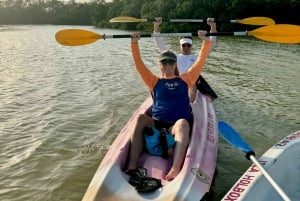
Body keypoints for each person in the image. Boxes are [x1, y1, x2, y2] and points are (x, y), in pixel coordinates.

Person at [126, 30, 212, 181]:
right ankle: (132, 165)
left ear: (175, 65)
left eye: (171, 62)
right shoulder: (154, 81)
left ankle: (175, 167)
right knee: (140, 118)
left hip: (175, 126)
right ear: (160, 65)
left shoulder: (186, 79)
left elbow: (200, 61)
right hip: (156, 123)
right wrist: (134, 43)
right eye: (164, 62)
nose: (167, 65)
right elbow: (139, 65)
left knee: (183, 124)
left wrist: (206, 42)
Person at [154, 17, 218, 102]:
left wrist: (213, 26)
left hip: (192, 81)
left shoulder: (196, 57)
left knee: (193, 85)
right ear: (180, 46)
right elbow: (160, 44)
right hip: (178, 80)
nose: (186, 47)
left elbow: (211, 45)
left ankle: (189, 104)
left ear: (191, 46)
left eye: (188, 45)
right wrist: (156, 26)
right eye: (184, 45)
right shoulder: (175, 56)